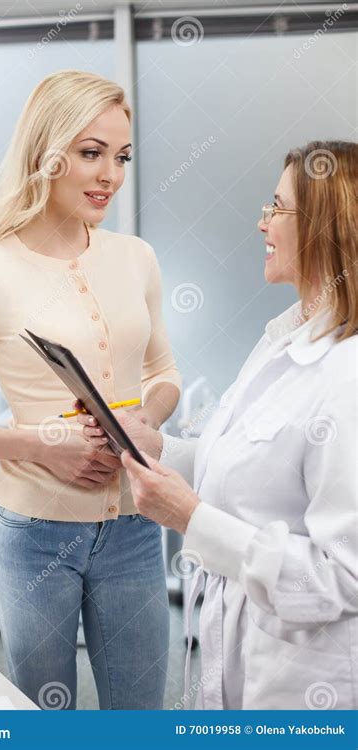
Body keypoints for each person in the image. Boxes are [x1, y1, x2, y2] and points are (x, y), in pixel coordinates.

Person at [0, 70, 181, 710]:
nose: (111, 173)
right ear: (45, 153)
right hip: (33, 533)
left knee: (139, 713)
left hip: (137, 524)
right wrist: (41, 445)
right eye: (90, 153)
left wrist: (148, 424)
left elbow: (165, 373)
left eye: (122, 156)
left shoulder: (136, 257)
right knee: (42, 714)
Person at [78, 140, 357, 710]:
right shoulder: (285, 337)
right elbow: (246, 471)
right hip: (234, 656)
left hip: (301, 685)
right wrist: (158, 447)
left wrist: (189, 517)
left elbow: (341, 579)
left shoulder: (348, 377)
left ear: (326, 228)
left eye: (276, 208)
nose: (262, 223)